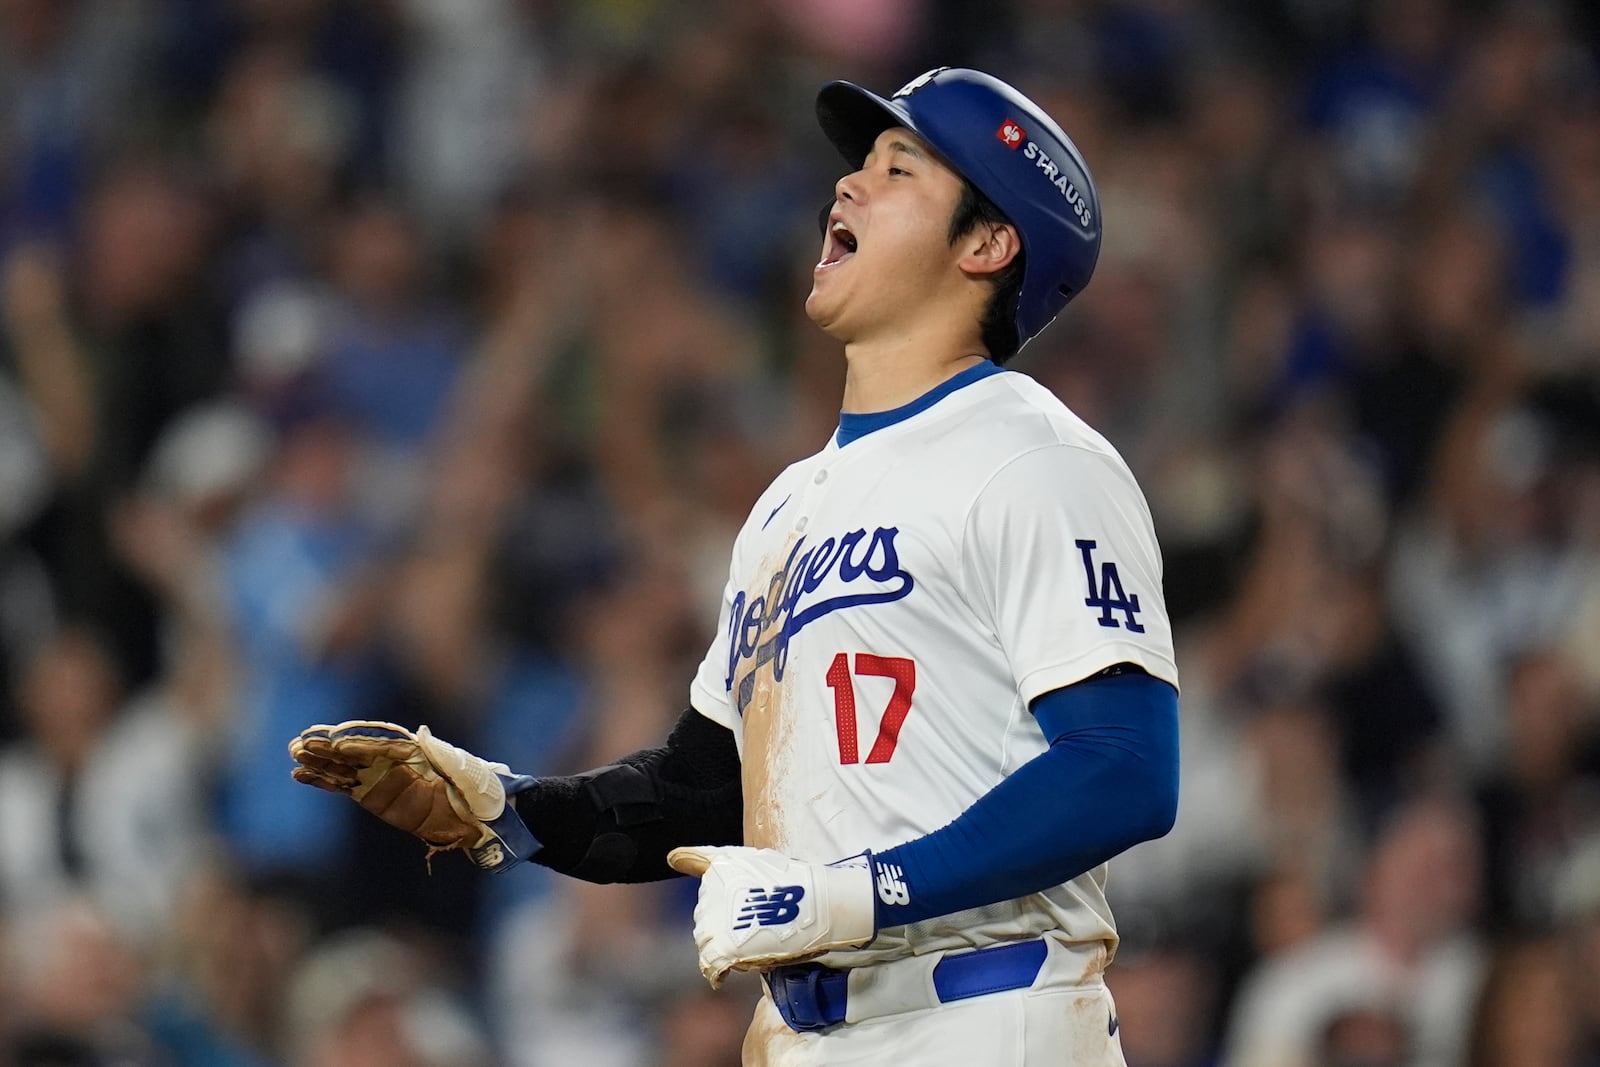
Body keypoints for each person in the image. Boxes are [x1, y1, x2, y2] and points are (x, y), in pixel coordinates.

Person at [290, 67, 1180, 1065]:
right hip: (804, 1034)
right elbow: (702, 784)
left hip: (986, 1016)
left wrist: (859, 889)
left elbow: (1126, 767)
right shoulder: (785, 506)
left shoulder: (1034, 457)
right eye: (858, 165)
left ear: (986, 243)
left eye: (899, 168)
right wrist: (513, 807)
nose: (847, 186)